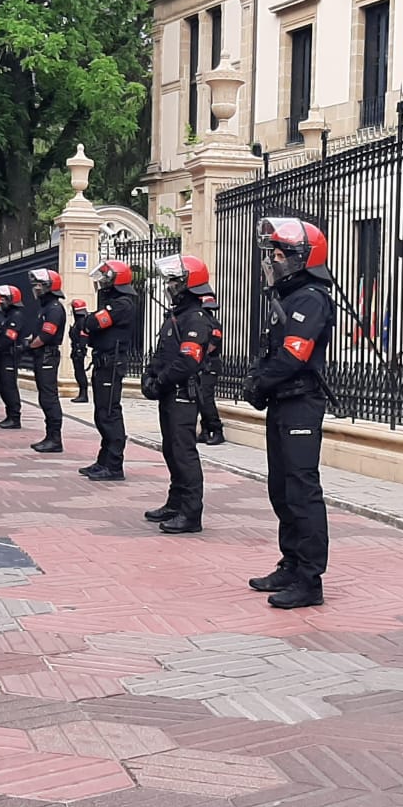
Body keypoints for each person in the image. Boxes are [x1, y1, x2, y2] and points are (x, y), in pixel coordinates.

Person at [243, 219, 335, 610]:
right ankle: (291, 562)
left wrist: (260, 383)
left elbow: (294, 355)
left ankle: (310, 578)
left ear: (301, 258)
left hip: (301, 402)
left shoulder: (312, 297)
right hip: (283, 401)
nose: (274, 261)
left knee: (301, 489)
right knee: (280, 488)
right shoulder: (289, 296)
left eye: (281, 255)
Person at [142, 254, 221, 534]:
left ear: (190, 283)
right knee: (170, 449)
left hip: (182, 394)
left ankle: (190, 513)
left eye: (176, 280)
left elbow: (188, 361)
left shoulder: (197, 318)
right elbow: (164, 352)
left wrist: (160, 381)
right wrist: (149, 375)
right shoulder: (177, 315)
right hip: (168, 391)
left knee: (183, 452)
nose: (171, 285)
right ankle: (175, 503)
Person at [73, 260, 138, 481]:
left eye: (106, 279)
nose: (102, 283)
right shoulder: (114, 302)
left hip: (111, 363)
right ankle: (103, 460)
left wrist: (87, 319)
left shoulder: (122, 304)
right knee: (101, 413)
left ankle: (114, 465)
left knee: (109, 413)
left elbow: (92, 324)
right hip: (103, 362)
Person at [27, 270, 68, 453]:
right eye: (35, 285)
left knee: (49, 397)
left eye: (40, 285)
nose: (36, 288)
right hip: (42, 355)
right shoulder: (45, 307)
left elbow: (45, 335)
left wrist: (29, 345)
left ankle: (55, 438)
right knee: (44, 396)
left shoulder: (54, 308)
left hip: (47, 356)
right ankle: (50, 436)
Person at [0, 284, 27, 430]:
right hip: (4, 354)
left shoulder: (16, 316)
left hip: (10, 355)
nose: (0, 301)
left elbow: (9, 337)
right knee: (3, 386)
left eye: (4, 298)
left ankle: (14, 417)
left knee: (9, 386)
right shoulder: (8, 316)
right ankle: (10, 415)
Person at [196, 290, 225, 445]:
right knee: (200, 399)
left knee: (206, 399)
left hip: (210, 365)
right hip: (202, 365)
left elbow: (211, 346)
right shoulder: (202, 322)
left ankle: (217, 429)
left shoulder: (213, 324)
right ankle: (205, 430)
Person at [69, 299, 92, 404]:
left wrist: (79, 349)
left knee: (80, 372)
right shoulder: (78, 321)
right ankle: (82, 393)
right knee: (78, 371)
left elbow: (83, 336)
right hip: (76, 348)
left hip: (79, 350)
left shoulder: (81, 321)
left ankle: (83, 394)